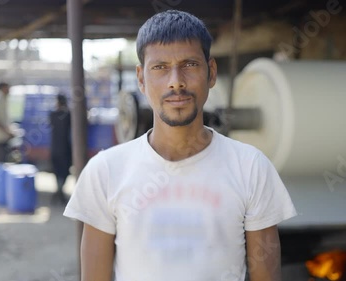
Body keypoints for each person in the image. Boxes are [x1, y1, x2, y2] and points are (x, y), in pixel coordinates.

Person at [64, 10, 296, 281]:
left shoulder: (251, 167)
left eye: (189, 64)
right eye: (160, 67)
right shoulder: (105, 171)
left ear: (211, 73)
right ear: (141, 78)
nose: (176, 80)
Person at [49, 94, 72, 205]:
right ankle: (59, 192)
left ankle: (58, 192)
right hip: (65, 149)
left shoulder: (53, 114)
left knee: (58, 172)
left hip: (54, 148)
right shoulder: (68, 115)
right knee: (64, 172)